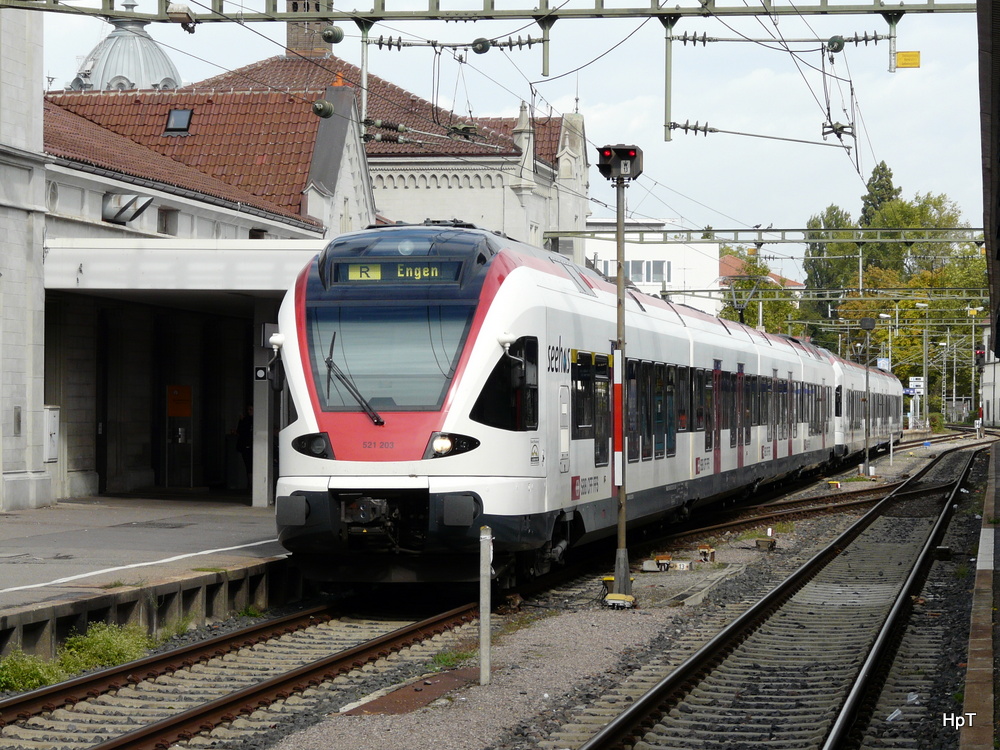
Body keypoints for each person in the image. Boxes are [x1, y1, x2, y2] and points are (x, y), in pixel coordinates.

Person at [236, 404, 253, 487]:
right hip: (246, 445)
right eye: (248, 410)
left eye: (251, 409)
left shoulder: (252, 420)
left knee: (250, 466)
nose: (249, 411)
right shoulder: (246, 420)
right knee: (248, 466)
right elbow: (240, 431)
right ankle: (250, 483)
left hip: (250, 445)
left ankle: (251, 484)